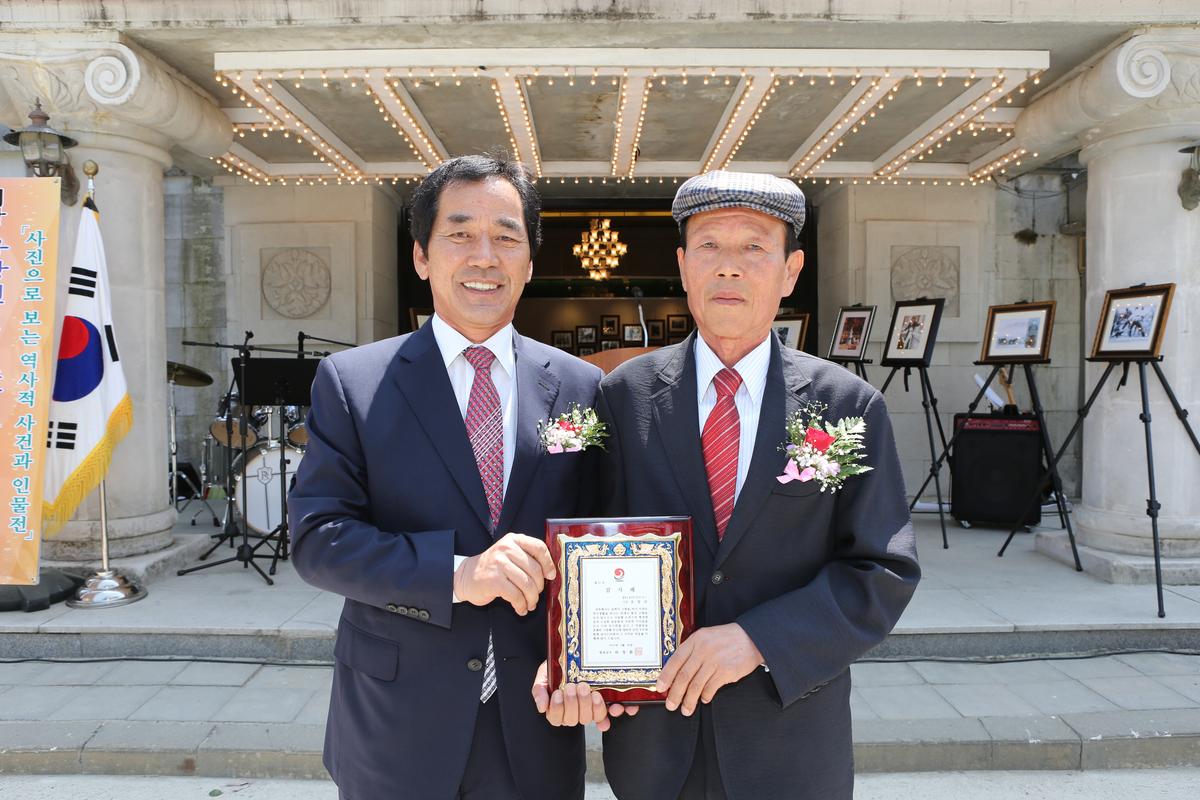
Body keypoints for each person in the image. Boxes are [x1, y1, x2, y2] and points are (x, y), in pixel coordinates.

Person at [536, 170, 920, 799]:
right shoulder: (624, 397)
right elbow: (584, 544)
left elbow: (882, 570)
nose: (729, 267)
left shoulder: (847, 406)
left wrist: (756, 640)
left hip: (788, 739)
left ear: (791, 271)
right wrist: (571, 654)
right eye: (709, 246)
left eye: (754, 248)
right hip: (656, 737)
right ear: (683, 267)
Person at [288, 153, 603, 800]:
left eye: (506, 237)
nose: (484, 256)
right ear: (421, 256)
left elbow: (599, 541)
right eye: (460, 234)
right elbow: (319, 541)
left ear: (529, 262)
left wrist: (590, 659)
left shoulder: (582, 387)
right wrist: (458, 573)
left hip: (534, 722)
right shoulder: (354, 383)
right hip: (396, 725)